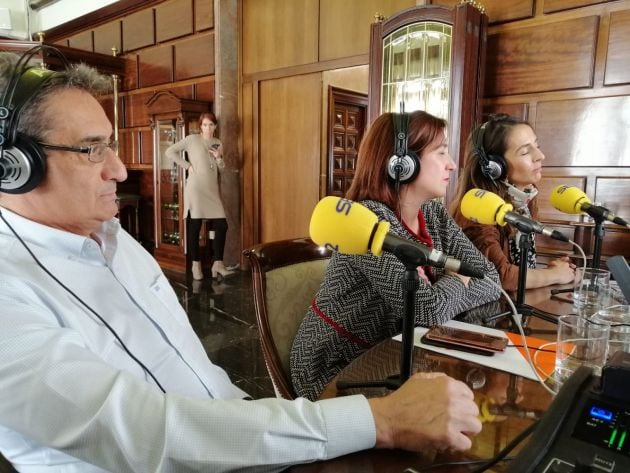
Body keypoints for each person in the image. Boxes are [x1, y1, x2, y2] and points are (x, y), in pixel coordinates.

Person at [0, 51, 482, 472]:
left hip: (245, 433)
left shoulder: (113, 236)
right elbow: (148, 433)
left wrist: (272, 426)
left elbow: (197, 377)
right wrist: (380, 421)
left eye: (111, 144)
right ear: (14, 166)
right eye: (91, 150)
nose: (120, 169)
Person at [290, 111, 502, 401]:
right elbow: (424, 311)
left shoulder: (433, 213)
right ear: (402, 164)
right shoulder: (367, 223)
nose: (452, 165)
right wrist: (458, 282)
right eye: (441, 153)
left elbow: (491, 278)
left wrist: (453, 286)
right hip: (338, 366)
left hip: (400, 351)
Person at [451, 113, 576, 291]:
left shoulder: (522, 202)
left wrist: (553, 271)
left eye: (537, 146)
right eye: (525, 152)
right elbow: (500, 277)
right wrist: (555, 275)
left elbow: (518, 270)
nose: (540, 156)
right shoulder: (479, 210)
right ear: (494, 167)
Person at [165, 112, 233, 281]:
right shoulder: (191, 139)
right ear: (200, 126)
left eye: (211, 125)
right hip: (195, 188)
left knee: (222, 225)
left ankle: (218, 263)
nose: (207, 128)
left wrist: (219, 158)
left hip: (211, 189)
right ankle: (196, 264)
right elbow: (170, 151)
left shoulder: (218, 143)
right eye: (204, 125)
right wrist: (187, 165)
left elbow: (222, 168)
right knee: (194, 226)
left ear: (215, 127)